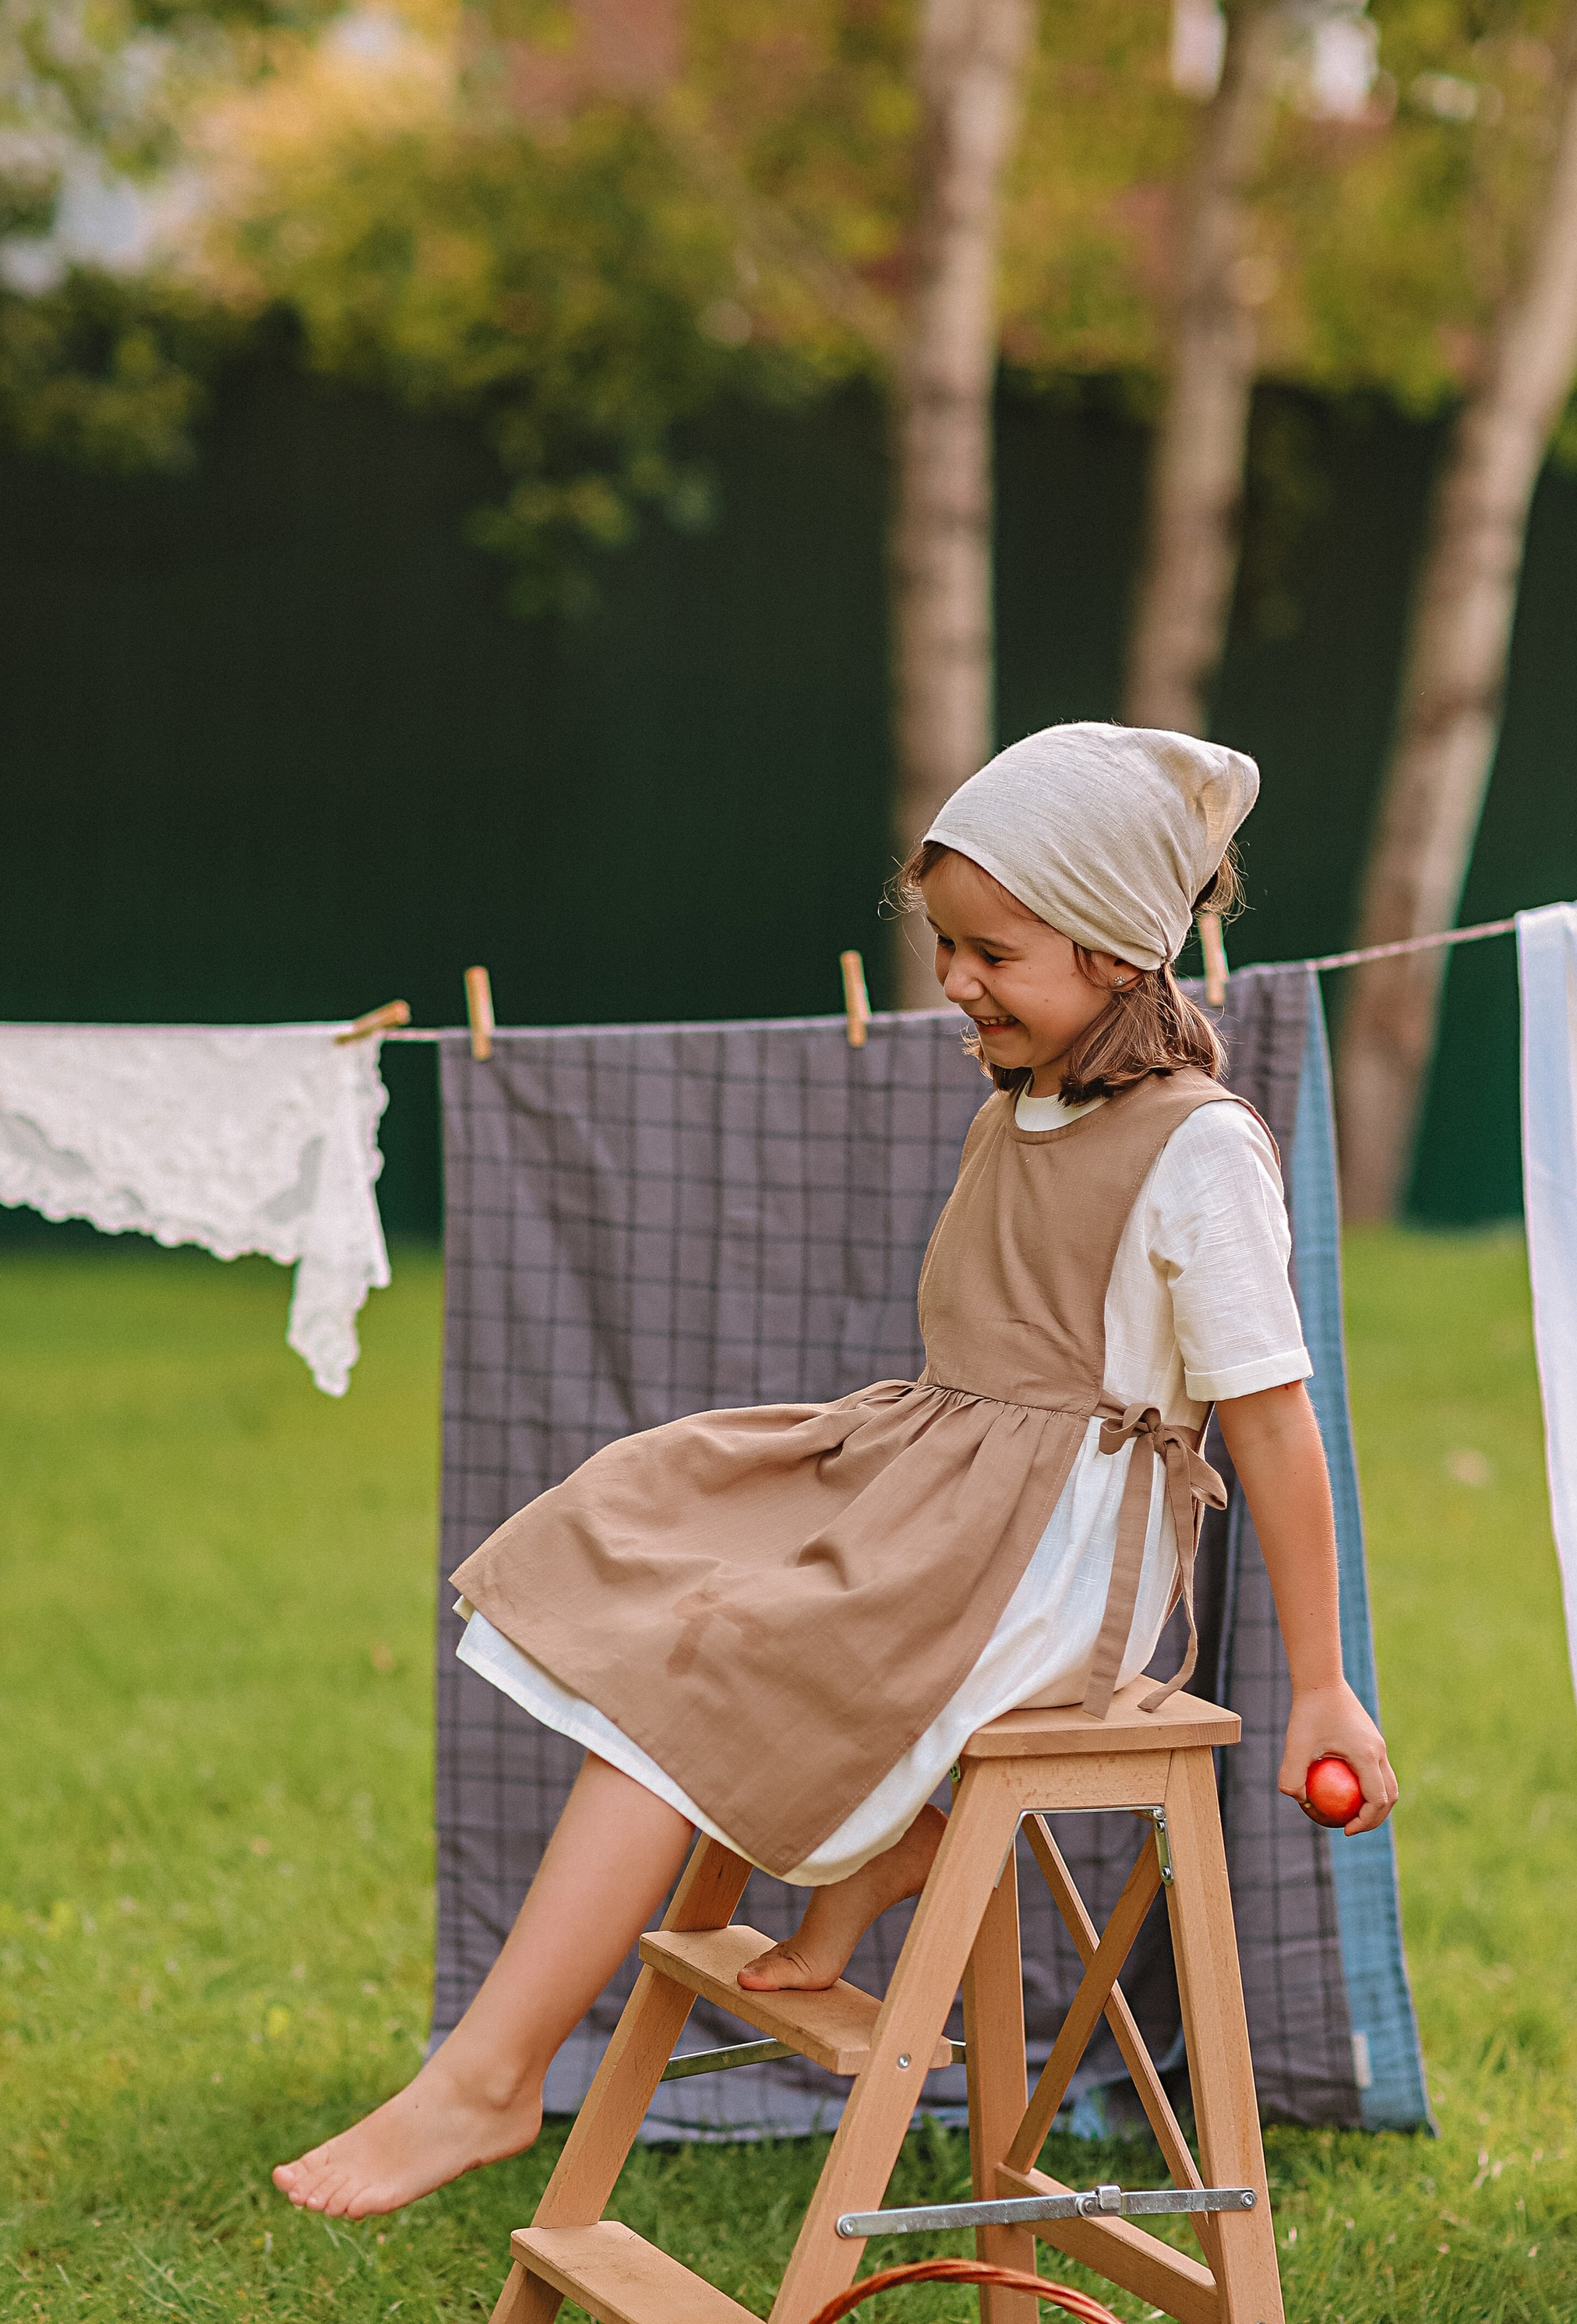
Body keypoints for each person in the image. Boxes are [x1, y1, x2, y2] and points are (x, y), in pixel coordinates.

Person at [274, 722, 1398, 2222]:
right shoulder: (1031, 1103)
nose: (956, 982)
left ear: (1122, 951)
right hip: (947, 1488)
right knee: (658, 1524)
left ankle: (491, 2077)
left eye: (992, 952)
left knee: (708, 1662)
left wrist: (1319, 1684)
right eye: (946, 946)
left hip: (1057, 1567)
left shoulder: (1197, 1151)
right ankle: (878, 1856)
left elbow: (1270, 1424)